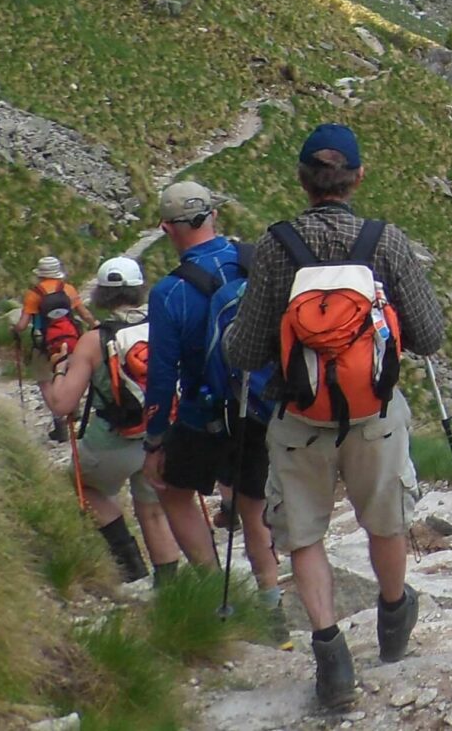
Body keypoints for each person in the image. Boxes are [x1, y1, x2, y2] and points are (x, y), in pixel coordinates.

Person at [225, 124, 445, 711]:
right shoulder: (386, 243)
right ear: (358, 178)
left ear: (301, 179)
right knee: (385, 520)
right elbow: (430, 336)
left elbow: (244, 351)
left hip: (299, 418)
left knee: (303, 533)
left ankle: (331, 656)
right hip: (375, 414)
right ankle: (394, 616)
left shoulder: (275, 247)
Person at [139, 178, 289, 630]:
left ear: (168, 229)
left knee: (174, 491)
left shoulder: (169, 293)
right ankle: (271, 605)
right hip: (257, 405)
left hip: (202, 413)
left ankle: (214, 590)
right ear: (214, 217)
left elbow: (162, 375)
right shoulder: (255, 260)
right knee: (251, 500)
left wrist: (154, 441)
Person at [42, 256, 184, 583]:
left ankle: (129, 565)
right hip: (161, 436)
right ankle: (170, 588)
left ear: (102, 294)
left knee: (84, 487)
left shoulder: (93, 340)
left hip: (113, 439)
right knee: (153, 509)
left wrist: (61, 369)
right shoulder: (165, 324)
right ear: (139, 289)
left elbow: (63, 404)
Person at [15, 256, 91, 442]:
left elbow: (23, 325)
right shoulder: (68, 289)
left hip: (45, 345)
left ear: (40, 274)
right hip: (72, 341)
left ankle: (59, 420)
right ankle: (74, 409)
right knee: (72, 373)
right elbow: (84, 314)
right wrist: (97, 325)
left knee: (45, 380)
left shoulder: (34, 294)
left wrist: (14, 330)